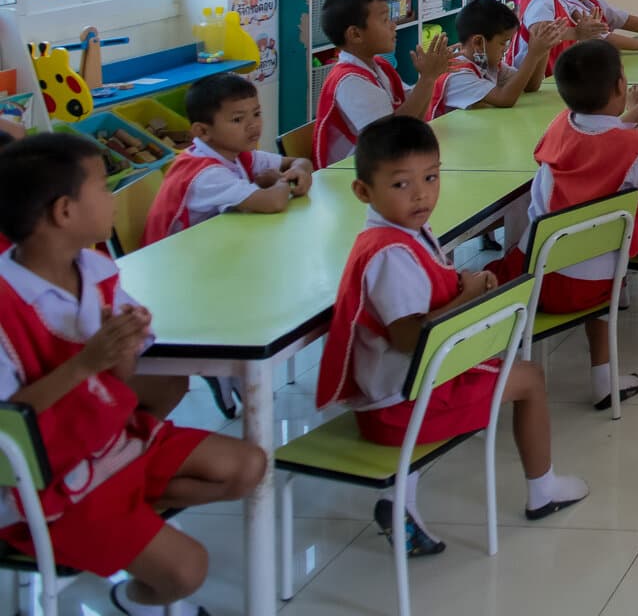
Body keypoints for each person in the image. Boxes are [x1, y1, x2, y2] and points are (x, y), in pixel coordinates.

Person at [0, 133, 267, 614]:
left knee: (248, 465)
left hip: (107, 438)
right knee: (188, 570)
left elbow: (118, 378)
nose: (112, 198)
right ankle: (132, 598)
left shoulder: (94, 267)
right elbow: (8, 421)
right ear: (64, 212)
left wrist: (122, 347)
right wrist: (86, 363)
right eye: (103, 188)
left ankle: (128, 520)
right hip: (46, 478)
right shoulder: (4, 304)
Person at [315, 116, 590, 558]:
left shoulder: (398, 233)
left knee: (505, 367)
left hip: (393, 392)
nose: (422, 193)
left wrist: (461, 283)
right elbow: (410, 337)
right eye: (402, 184)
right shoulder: (390, 255)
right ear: (363, 191)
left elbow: (425, 296)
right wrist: (467, 297)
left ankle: (397, 501)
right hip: (399, 407)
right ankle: (544, 490)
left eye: (431, 177)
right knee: (530, 379)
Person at [491, 41, 638, 409]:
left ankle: (492, 367)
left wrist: (635, 117)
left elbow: (595, 137)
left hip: (533, 279)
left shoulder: (559, 123)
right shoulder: (632, 147)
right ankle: (604, 381)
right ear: (622, 86)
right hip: (593, 287)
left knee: (489, 271)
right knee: (601, 276)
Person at [144, 74, 313, 245]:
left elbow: (300, 162)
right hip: (177, 260)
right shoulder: (206, 174)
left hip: (213, 245)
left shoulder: (236, 152)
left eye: (256, 113)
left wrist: (298, 170)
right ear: (203, 132)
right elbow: (274, 202)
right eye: (237, 119)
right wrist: (280, 180)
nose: (253, 125)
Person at [314, 0, 453, 169]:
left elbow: (415, 115)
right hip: (350, 179)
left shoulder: (379, 66)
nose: (393, 25)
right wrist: (428, 78)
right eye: (385, 20)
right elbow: (390, 137)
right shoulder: (350, 81)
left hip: (384, 165)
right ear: (355, 34)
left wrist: (432, 76)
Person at [425, 0, 565, 120]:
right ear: (478, 42)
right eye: (503, 42)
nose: (505, 48)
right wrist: (533, 54)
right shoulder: (456, 73)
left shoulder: (485, 63)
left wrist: (544, 48)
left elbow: (530, 86)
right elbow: (504, 99)